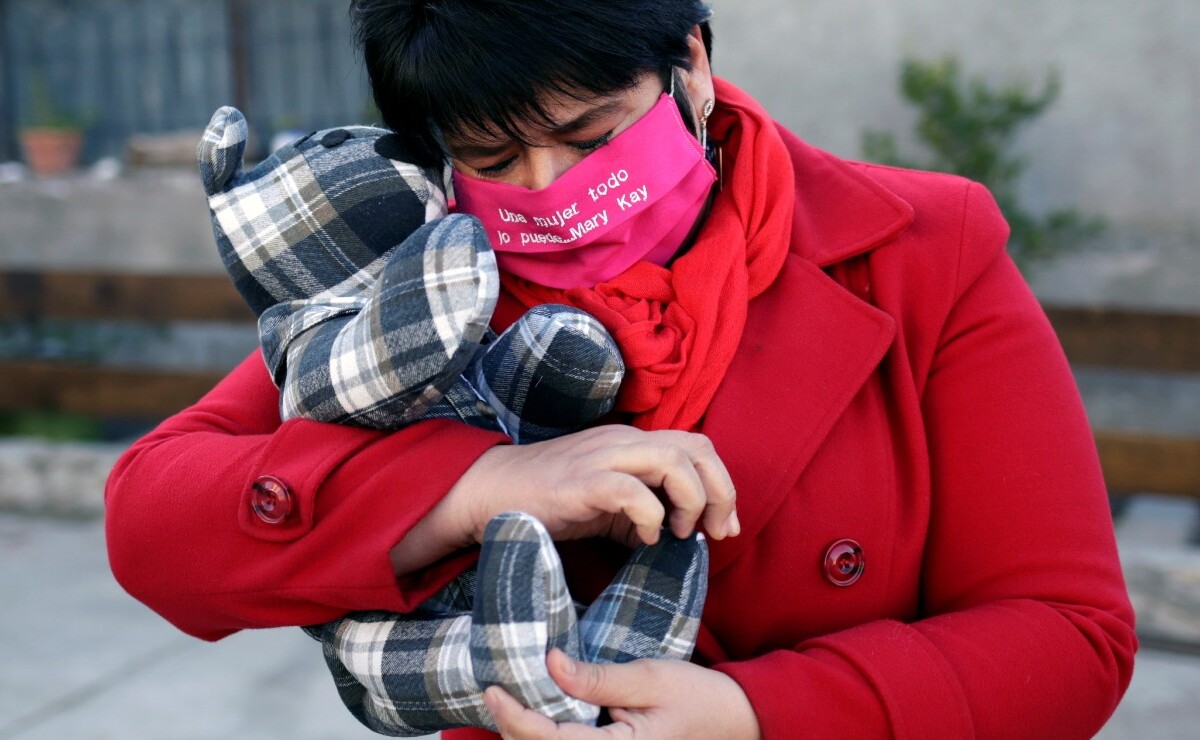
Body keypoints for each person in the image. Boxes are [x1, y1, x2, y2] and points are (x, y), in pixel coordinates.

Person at [106, 1, 1137, 737]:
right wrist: (470, 488)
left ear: (689, 59)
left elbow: (1067, 635)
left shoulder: (921, 247)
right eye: (495, 160)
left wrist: (753, 713)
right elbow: (152, 519)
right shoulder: (416, 283)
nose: (552, 194)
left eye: (588, 133)